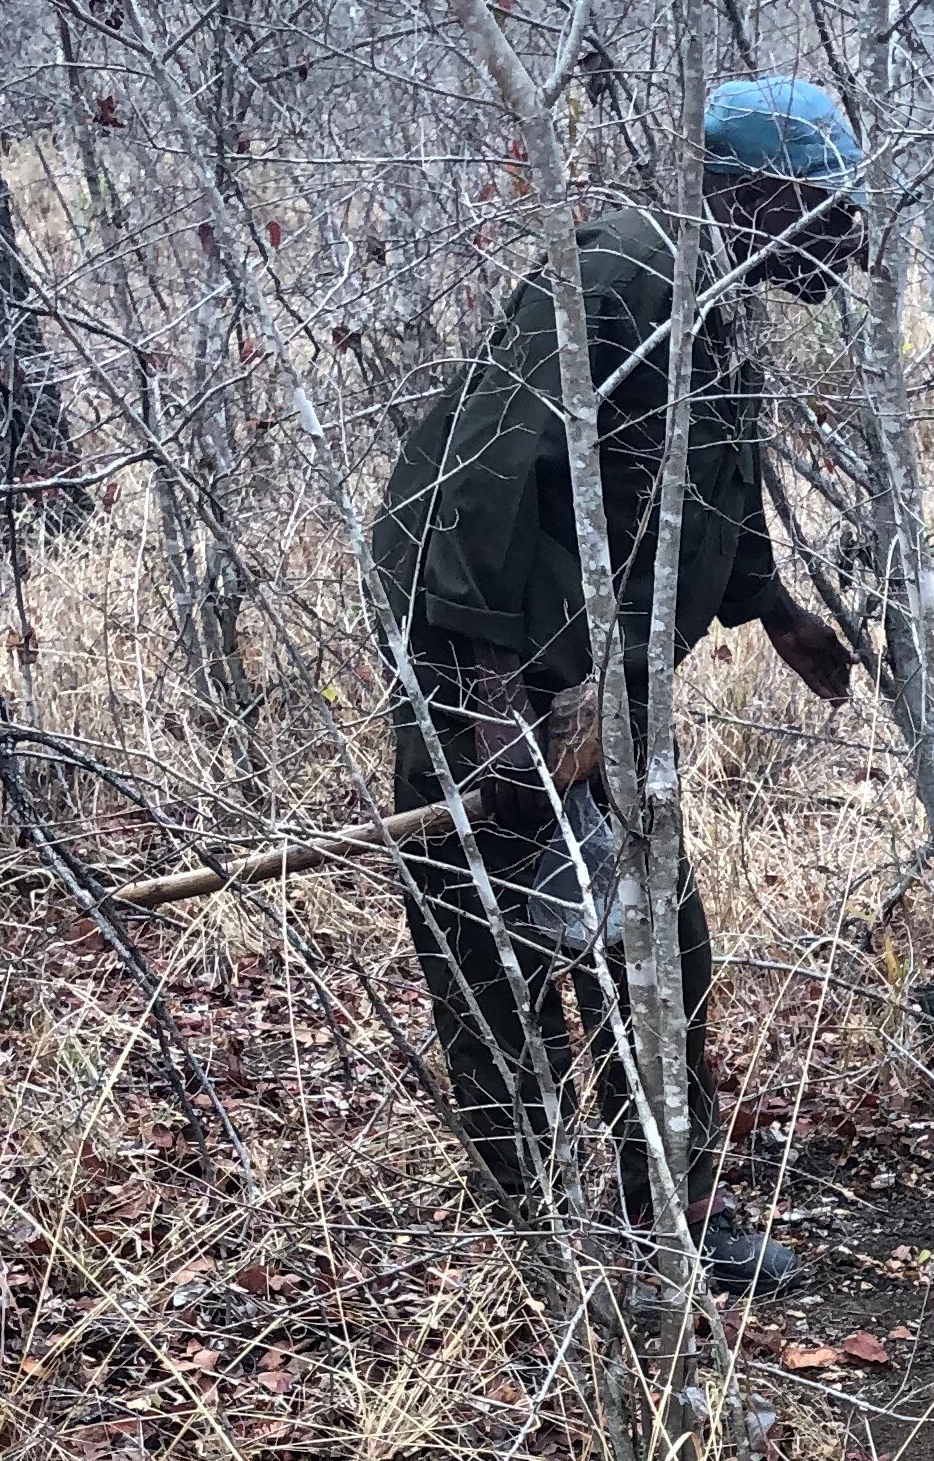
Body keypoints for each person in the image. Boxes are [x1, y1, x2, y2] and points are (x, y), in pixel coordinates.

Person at [369, 76, 866, 1295]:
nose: (848, 241)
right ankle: (539, 1251)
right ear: (751, 195)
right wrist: (496, 691)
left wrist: (771, 606)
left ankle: (669, 1223)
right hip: (493, 677)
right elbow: (474, 473)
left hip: (599, 688)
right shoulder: (628, 267)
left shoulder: (721, 304)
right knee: (499, 960)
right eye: (827, 210)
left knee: (657, 945)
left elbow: (706, 480)